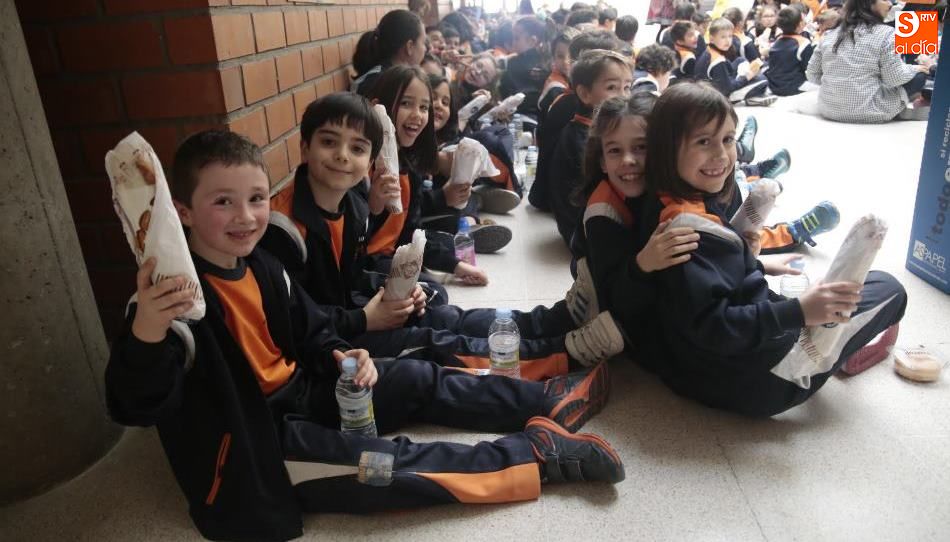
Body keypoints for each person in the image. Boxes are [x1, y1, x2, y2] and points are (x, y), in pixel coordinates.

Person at [106, 128, 624, 541]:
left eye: (257, 198)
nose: (245, 217)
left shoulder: (261, 264)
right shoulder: (170, 305)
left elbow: (312, 331)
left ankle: (541, 397)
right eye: (223, 202)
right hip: (258, 444)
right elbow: (133, 405)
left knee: (418, 376)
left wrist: (343, 354)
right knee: (387, 464)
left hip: (309, 391)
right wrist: (148, 331)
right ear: (183, 213)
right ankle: (536, 457)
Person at [263, 92, 625, 378]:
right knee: (435, 341)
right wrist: (366, 317)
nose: (342, 156)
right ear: (305, 146)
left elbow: (353, 276)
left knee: (444, 313)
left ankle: (556, 322)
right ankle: (563, 354)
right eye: (329, 142)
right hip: (333, 347)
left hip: (349, 316)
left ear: (370, 155)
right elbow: (299, 323)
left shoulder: (354, 205)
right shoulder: (285, 231)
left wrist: (394, 291)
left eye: (356, 148)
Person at [633, 82, 907, 416]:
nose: (721, 155)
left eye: (728, 139)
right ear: (667, 148)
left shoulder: (665, 200)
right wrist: (799, 312)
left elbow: (697, 292)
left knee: (811, 294)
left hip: (701, 368)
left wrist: (746, 258)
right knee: (890, 290)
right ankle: (842, 352)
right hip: (766, 379)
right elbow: (712, 326)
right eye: (703, 142)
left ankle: (823, 323)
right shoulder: (687, 233)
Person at [572, 92, 700, 353]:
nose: (628, 160)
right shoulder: (603, 214)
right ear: (603, 163)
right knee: (532, 334)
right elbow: (614, 302)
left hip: (630, 289)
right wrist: (643, 264)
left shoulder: (662, 191)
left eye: (641, 147)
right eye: (615, 151)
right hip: (599, 308)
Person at [363, 66, 488, 291]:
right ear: (378, 108)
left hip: (393, 258)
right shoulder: (363, 169)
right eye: (406, 103)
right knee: (434, 292)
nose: (417, 115)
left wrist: (457, 266)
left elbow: (411, 233)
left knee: (441, 264)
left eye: (423, 107)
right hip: (367, 269)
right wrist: (373, 206)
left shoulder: (409, 169)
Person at [550, 49, 633, 252]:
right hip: (583, 234)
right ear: (585, 94)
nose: (623, 96)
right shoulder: (584, 139)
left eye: (628, 87)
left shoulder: (594, 129)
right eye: (612, 87)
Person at [530, 29, 621, 212]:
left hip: (554, 201)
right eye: (612, 85)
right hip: (560, 207)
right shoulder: (573, 108)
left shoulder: (567, 99)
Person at [806, 0, 934, 122]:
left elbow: (812, 73)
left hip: (828, 108)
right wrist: (914, 69)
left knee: (897, 60)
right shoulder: (887, 32)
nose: (889, 3)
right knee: (918, 71)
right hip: (919, 7)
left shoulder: (829, 35)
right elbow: (894, 77)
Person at [695, 18, 774, 106]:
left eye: (730, 36)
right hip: (717, 97)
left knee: (740, 60)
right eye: (723, 37)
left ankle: (753, 97)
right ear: (712, 39)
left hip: (710, 88)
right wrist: (747, 76)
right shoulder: (718, 61)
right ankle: (749, 99)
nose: (728, 40)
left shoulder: (710, 50)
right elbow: (727, 88)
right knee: (762, 80)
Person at [351, 10, 427, 96]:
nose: (426, 48)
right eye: (423, 42)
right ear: (409, 46)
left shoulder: (402, 77)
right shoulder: (380, 82)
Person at [499, 15, 552, 119]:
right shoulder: (547, 62)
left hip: (521, 116)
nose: (513, 43)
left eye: (516, 38)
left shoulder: (515, 64)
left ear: (532, 41)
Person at [766, 6, 815, 96]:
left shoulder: (776, 41)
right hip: (794, 87)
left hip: (773, 87)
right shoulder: (803, 42)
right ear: (800, 25)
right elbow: (810, 69)